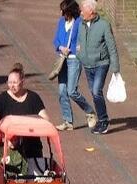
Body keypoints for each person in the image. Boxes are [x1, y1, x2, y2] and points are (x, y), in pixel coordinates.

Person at [0, 63, 50, 170]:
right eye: (9, 82)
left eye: (15, 82)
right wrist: (0, 135)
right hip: (10, 150)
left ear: (22, 82)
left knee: (33, 178)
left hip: (32, 148)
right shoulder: (2, 99)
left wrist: (32, 126)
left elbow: (46, 119)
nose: (12, 85)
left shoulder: (33, 98)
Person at [68, 0, 119, 135]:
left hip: (101, 63)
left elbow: (111, 46)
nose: (80, 12)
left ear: (91, 11)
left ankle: (103, 120)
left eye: (83, 10)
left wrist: (116, 67)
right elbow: (78, 40)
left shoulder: (104, 25)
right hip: (87, 65)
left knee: (96, 91)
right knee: (94, 92)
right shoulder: (81, 25)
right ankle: (101, 121)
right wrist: (79, 53)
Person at [51, 0, 82, 131]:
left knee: (71, 91)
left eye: (64, 11)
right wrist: (60, 47)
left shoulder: (79, 22)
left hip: (74, 59)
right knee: (62, 90)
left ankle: (89, 110)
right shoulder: (61, 22)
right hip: (62, 59)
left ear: (70, 11)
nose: (62, 14)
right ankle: (68, 121)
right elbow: (56, 39)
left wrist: (73, 49)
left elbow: (81, 41)